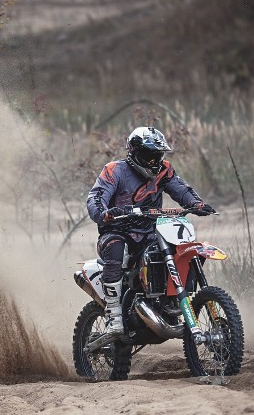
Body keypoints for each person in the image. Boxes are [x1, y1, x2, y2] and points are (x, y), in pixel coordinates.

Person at [86, 126, 215, 340]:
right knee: (115, 247)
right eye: (149, 155)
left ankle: (171, 301)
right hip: (117, 231)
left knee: (180, 247)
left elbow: (181, 189)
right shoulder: (114, 170)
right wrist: (104, 213)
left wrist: (197, 204)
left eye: (158, 156)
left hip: (149, 233)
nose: (155, 162)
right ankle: (114, 316)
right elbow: (96, 197)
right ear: (135, 152)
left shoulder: (164, 170)